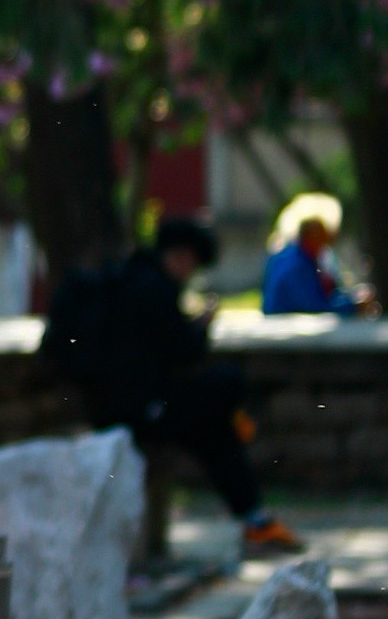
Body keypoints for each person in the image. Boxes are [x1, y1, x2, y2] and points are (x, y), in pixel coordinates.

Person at [42, 213, 301, 553]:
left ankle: (254, 518)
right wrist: (202, 325)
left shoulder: (129, 278)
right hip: (134, 408)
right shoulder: (153, 289)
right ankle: (253, 515)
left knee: (211, 427)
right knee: (225, 389)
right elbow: (183, 352)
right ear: (182, 256)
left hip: (122, 402)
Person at [259, 190, 365, 318]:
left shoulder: (308, 259)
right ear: (310, 233)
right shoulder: (295, 264)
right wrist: (354, 305)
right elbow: (314, 308)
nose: (329, 237)